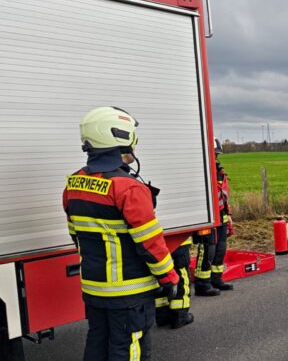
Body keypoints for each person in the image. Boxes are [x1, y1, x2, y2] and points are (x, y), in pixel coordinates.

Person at [63, 106, 178, 361]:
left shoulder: (73, 184)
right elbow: (150, 243)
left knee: (97, 345)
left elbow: (75, 235)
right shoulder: (128, 188)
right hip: (129, 293)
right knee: (127, 349)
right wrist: (169, 277)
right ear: (120, 136)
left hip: (94, 289)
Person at [195, 139, 235, 295]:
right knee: (208, 249)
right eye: (213, 154)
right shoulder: (201, 171)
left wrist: (228, 215)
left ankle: (216, 279)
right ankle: (202, 283)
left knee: (220, 248)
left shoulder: (219, 171)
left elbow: (223, 196)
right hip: (208, 216)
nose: (216, 157)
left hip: (221, 216)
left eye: (217, 154)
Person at [155, 235, 193, 329]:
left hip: (157, 241)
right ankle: (180, 315)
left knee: (162, 274)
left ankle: (162, 315)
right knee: (182, 274)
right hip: (179, 239)